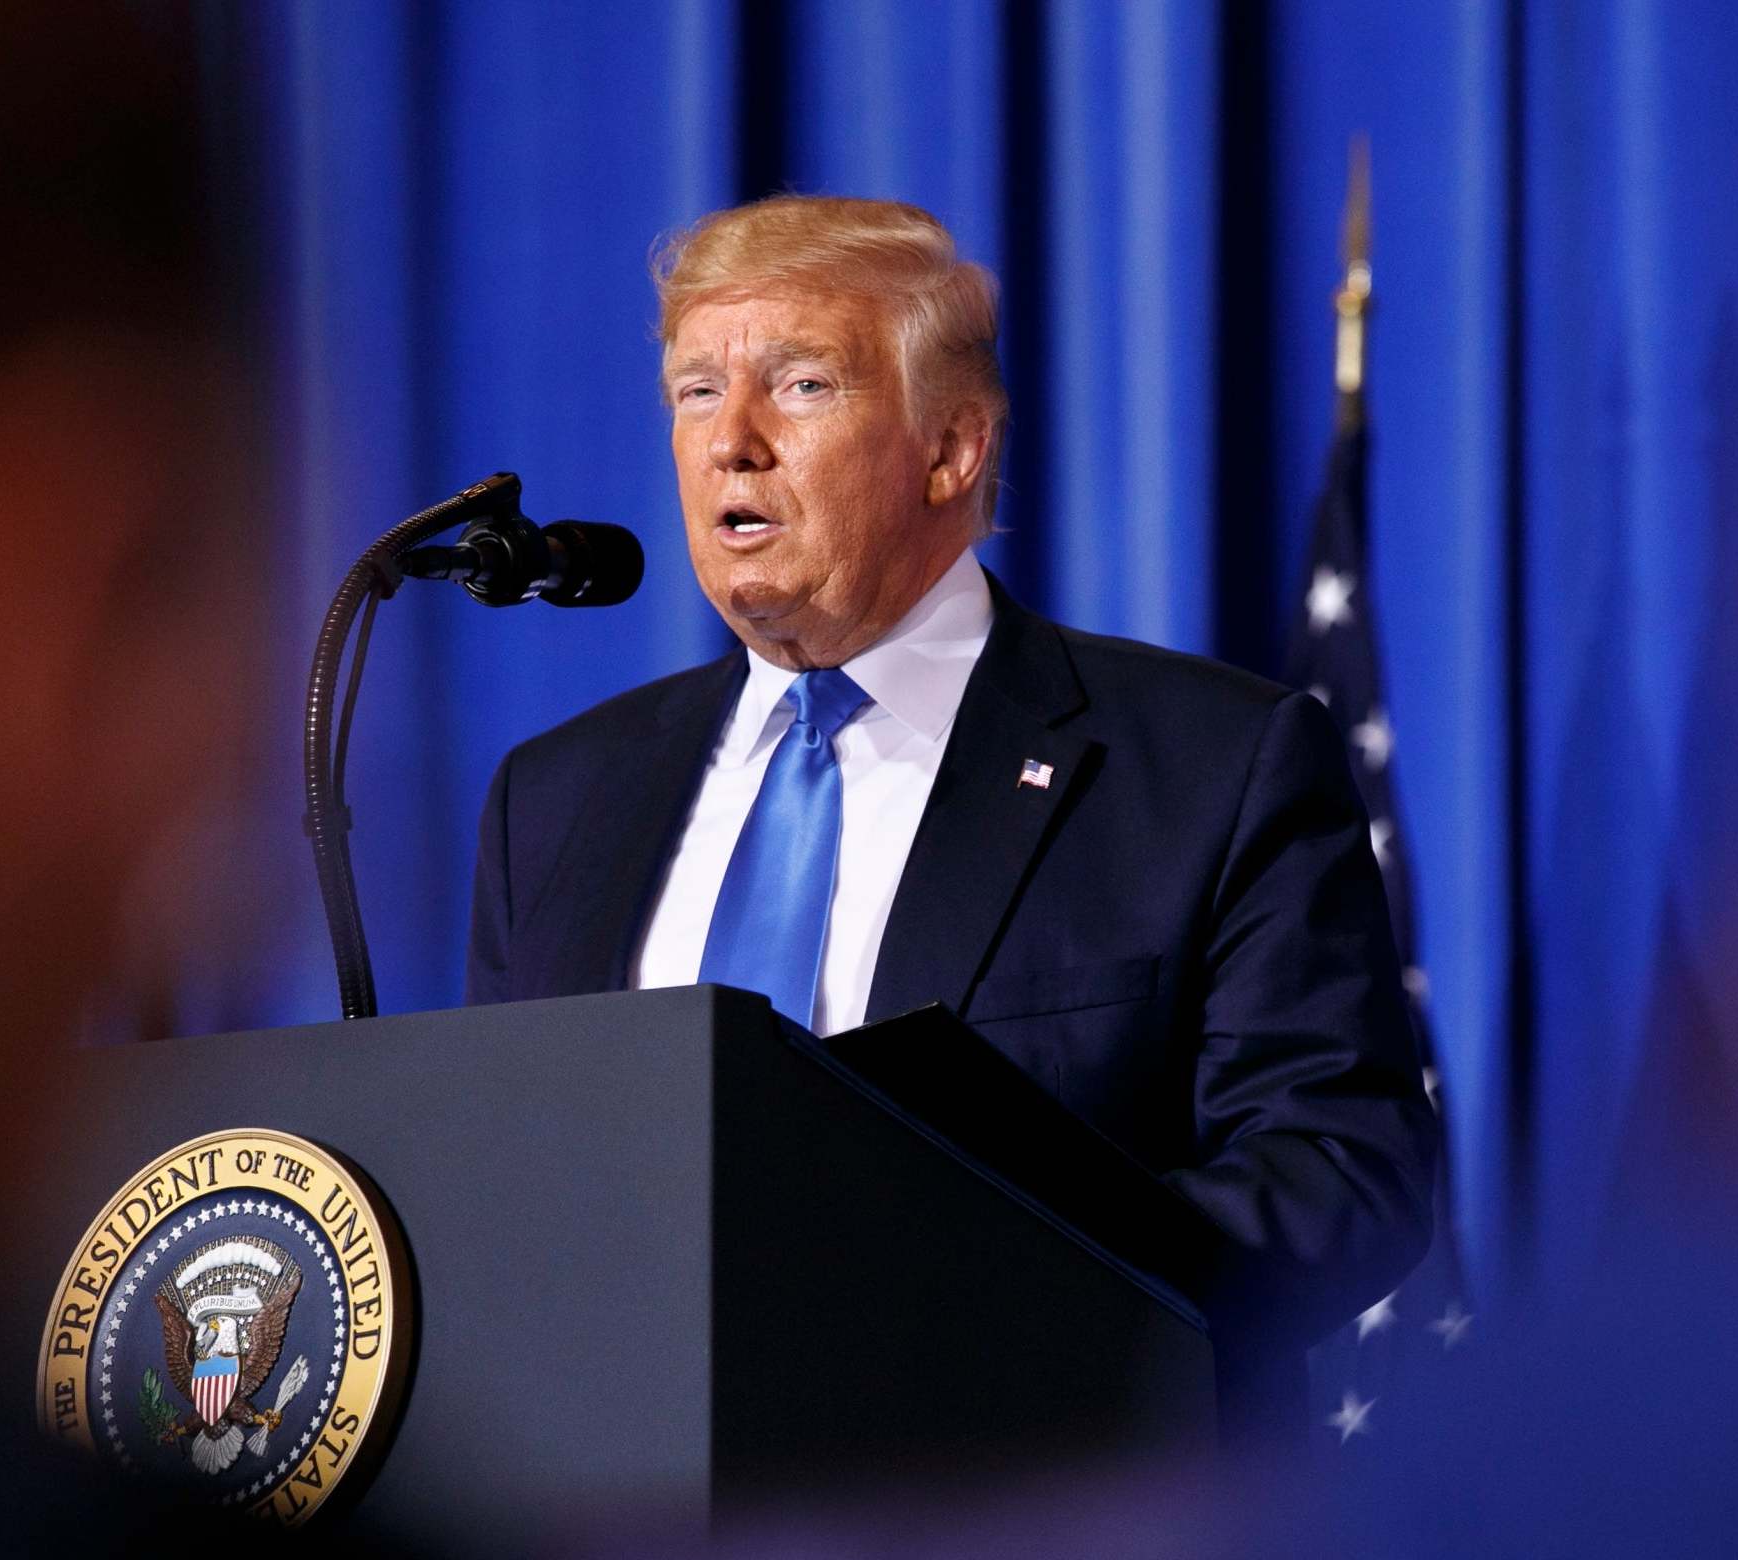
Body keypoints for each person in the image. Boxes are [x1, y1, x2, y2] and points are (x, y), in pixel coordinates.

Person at [466, 195, 1436, 1402]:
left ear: (952, 448)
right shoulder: (555, 801)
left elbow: (1341, 1170)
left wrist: (980, 1293)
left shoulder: (1208, 766)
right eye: (694, 391)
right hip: (637, 1548)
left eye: (803, 384)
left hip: (1034, 1532)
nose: (733, 441)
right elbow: (501, 1194)